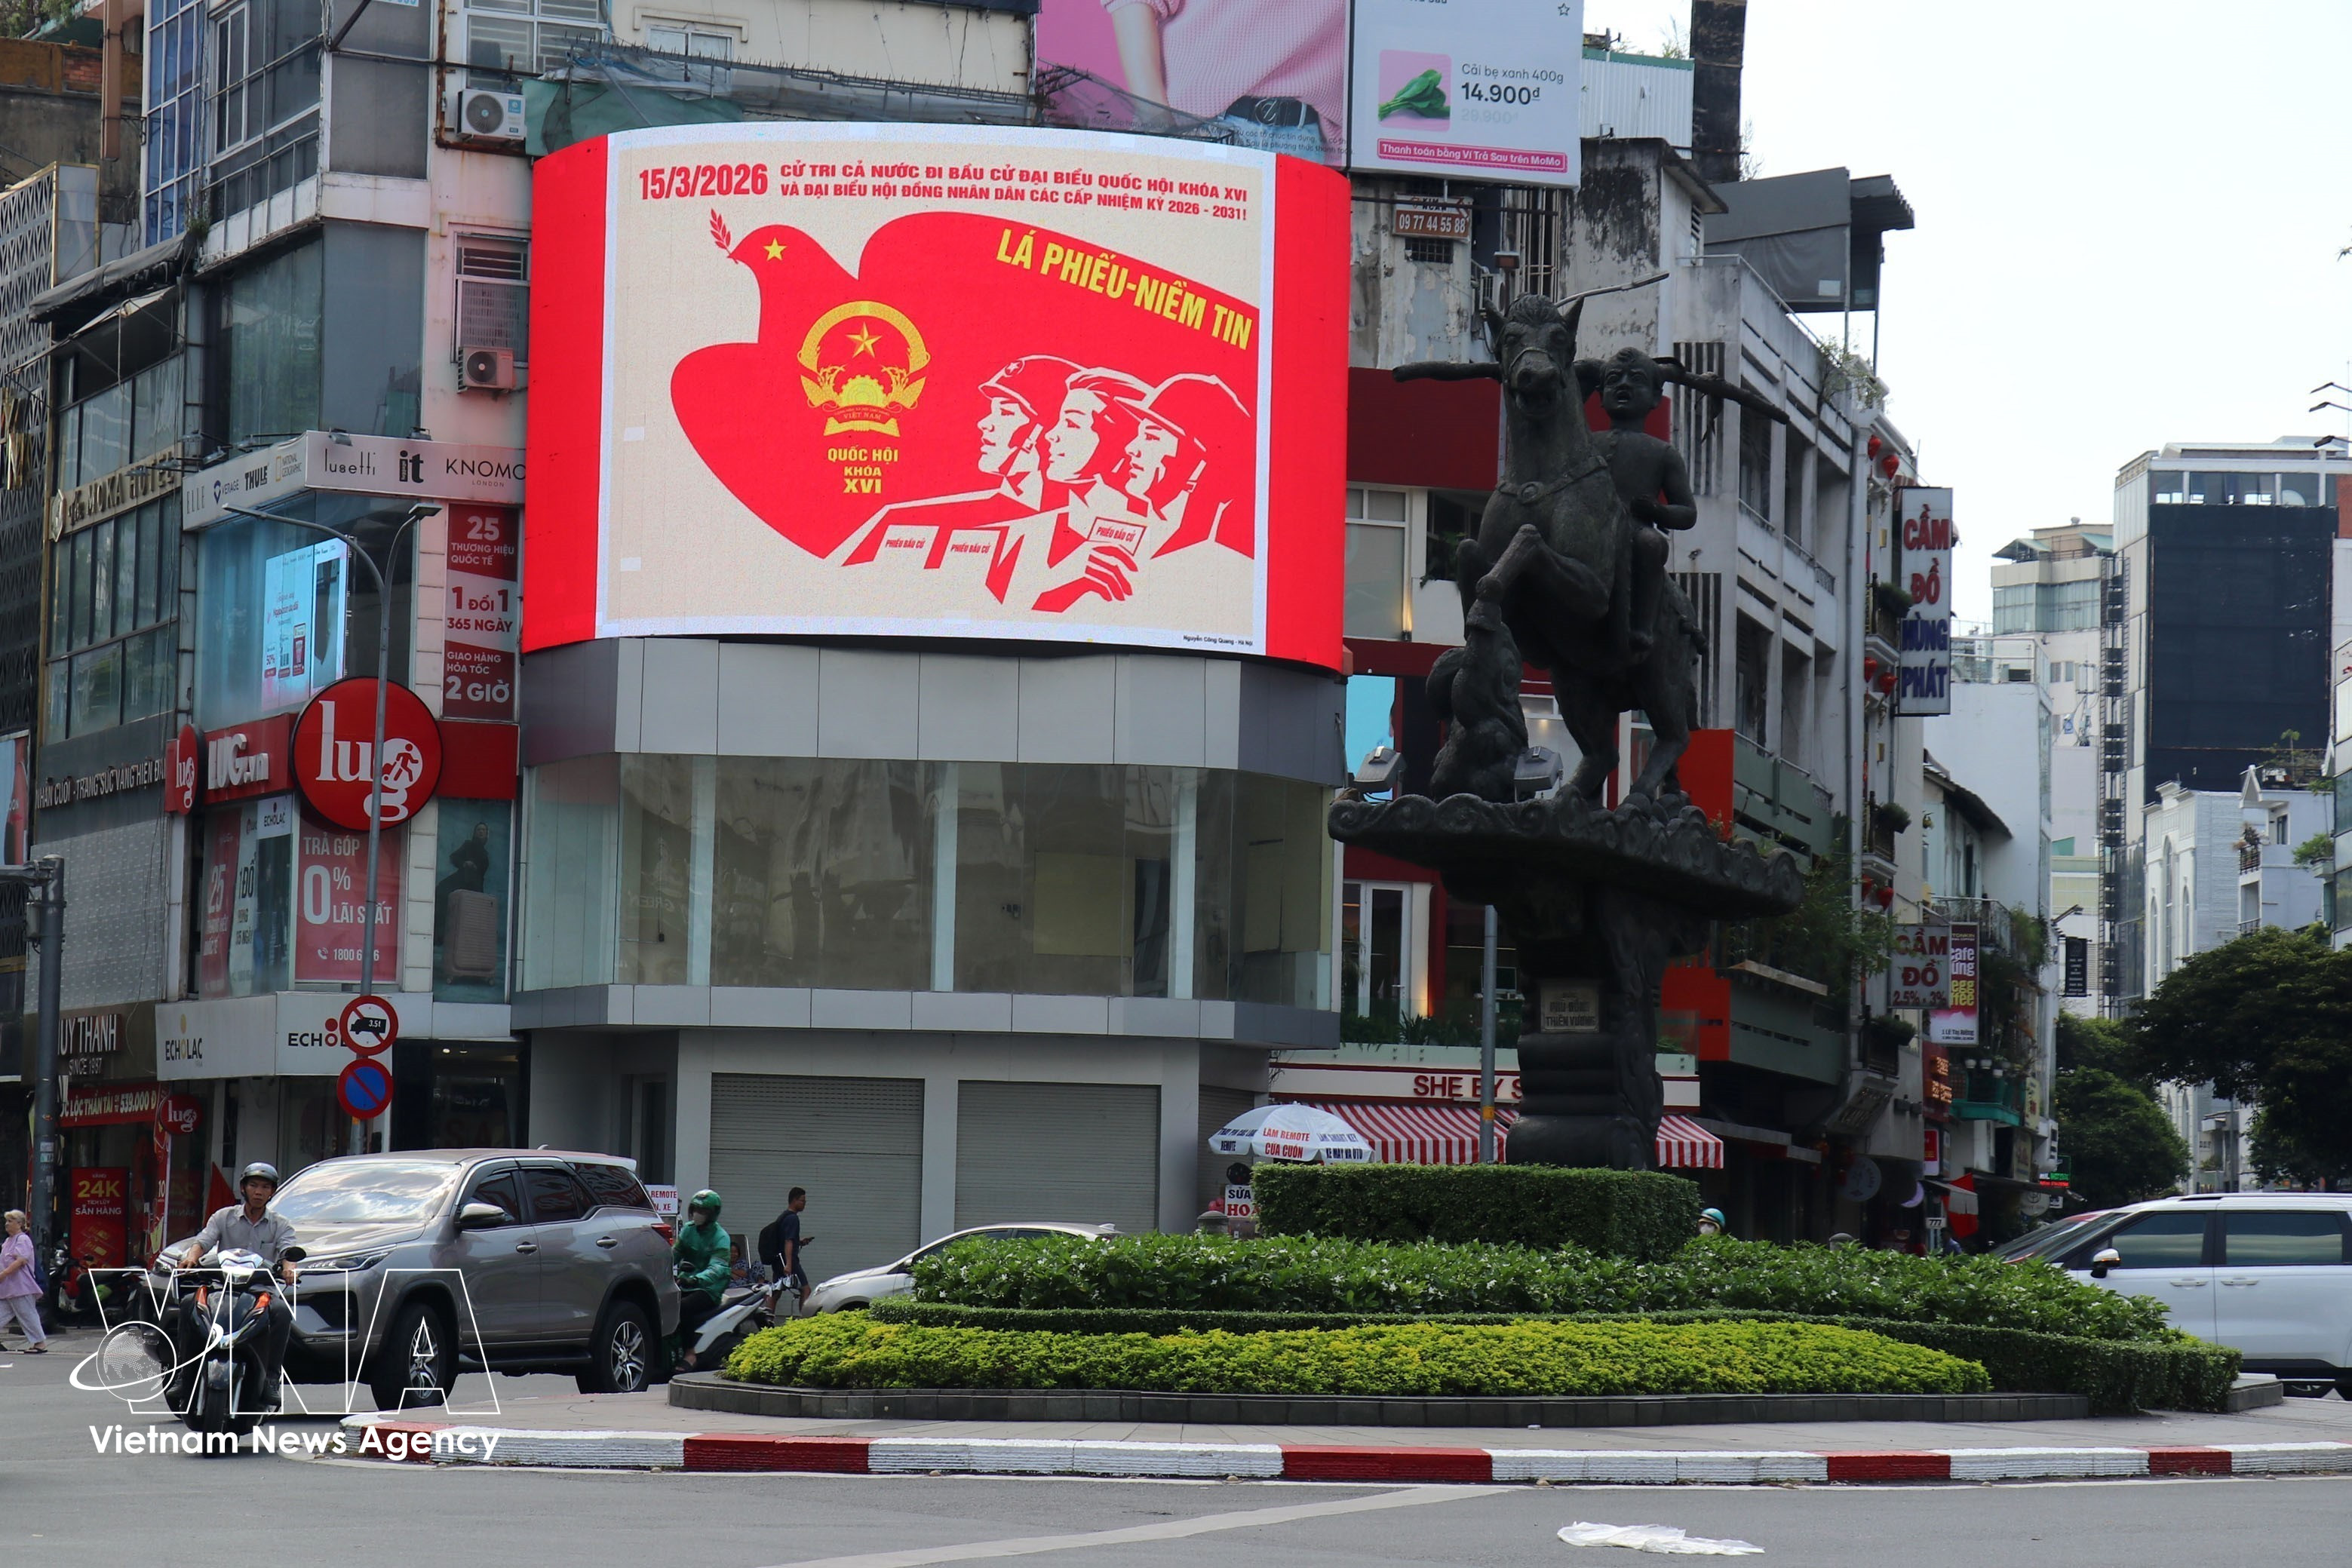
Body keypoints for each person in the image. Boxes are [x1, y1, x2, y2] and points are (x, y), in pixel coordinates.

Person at [175, 1163, 296, 1407]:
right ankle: (183, 1374)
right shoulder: (223, 1217)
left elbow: (288, 1252)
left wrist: (289, 1268)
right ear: (243, 1188)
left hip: (260, 1289)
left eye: (265, 1187)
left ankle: (272, 1378)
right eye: (254, 1185)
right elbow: (203, 1241)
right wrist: (191, 1258)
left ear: (272, 1192)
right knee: (189, 1304)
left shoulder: (280, 1224)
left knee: (282, 1313)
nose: (259, 1191)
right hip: (222, 1287)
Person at [669, 1189, 731, 1370]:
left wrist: (696, 1279)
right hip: (686, 1281)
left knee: (684, 1307)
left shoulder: (721, 1237)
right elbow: (675, 1254)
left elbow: (717, 1268)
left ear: (712, 1214)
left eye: (703, 1211)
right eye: (696, 1209)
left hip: (709, 1288)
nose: (698, 1214)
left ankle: (690, 1354)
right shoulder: (688, 1230)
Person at [0, 1209, 48, 1353]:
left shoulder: (23, 1239)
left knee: (27, 1314)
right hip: (7, 1287)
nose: (7, 1224)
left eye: (10, 1221)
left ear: (19, 1224)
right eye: (6, 1221)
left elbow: (21, 1261)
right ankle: (38, 1342)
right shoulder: (8, 1241)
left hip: (21, 1286)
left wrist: (4, 1274)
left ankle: (39, 1343)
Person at [772, 1188, 809, 1307]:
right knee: (805, 1290)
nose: (804, 1204)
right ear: (794, 1200)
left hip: (778, 1260)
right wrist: (789, 1264)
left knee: (776, 1293)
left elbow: (786, 1239)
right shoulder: (793, 1218)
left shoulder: (783, 1216)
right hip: (789, 1261)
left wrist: (799, 1242)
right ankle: (804, 1322)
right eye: (802, 1201)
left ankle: (766, 1321)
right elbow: (788, 1241)